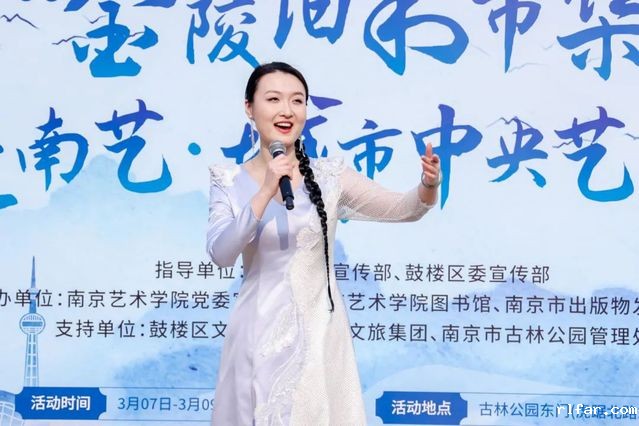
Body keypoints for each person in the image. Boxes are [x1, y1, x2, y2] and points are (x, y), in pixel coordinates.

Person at [207, 61, 440, 425]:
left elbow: (402, 209)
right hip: (257, 333)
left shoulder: (330, 178)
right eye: (273, 99)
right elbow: (221, 253)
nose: (287, 110)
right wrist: (266, 190)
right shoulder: (229, 180)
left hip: (319, 334)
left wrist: (427, 185)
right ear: (249, 108)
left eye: (297, 101)